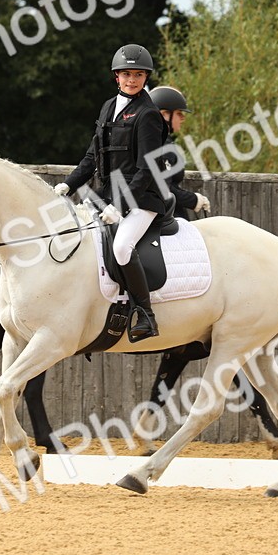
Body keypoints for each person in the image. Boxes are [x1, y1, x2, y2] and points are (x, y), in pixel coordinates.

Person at [54, 44, 167, 342]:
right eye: (127, 74)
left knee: (121, 247)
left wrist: (120, 205)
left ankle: (145, 313)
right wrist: (69, 184)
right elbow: (93, 156)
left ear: (145, 78)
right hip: (106, 195)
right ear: (116, 76)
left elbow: (147, 169)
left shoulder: (148, 115)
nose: (132, 80)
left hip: (141, 198)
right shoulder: (108, 107)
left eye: (139, 74)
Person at [148, 86, 210, 221]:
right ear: (164, 114)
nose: (183, 118)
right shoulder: (161, 145)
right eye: (179, 113)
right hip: (163, 216)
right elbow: (164, 189)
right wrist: (194, 200)